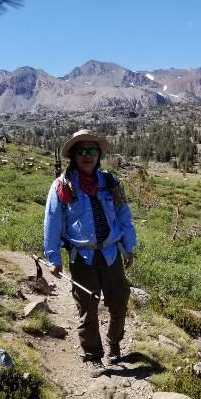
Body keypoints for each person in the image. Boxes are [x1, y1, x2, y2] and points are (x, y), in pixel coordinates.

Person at [43, 129, 137, 378]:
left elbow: (124, 215)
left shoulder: (111, 183)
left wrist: (129, 246)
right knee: (87, 308)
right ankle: (93, 355)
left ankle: (114, 341)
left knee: (119, 301)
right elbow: (52, 222)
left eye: (92, 150)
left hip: (111, 253)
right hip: (82, 257)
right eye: (81, 151)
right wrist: (53, 258)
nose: (87, 155)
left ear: (98, 155)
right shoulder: (62, 186)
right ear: (73, 156)